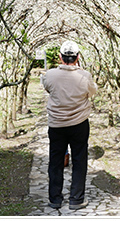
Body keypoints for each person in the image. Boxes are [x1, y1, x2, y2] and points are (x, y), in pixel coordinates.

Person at [41, 40, 97, 210]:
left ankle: (55, 199)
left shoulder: (49, 75)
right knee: (79, 160)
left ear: (60, 57)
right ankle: (76, 199)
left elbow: (49, 89)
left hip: (56, 124)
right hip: (79, 123)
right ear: (78, 57)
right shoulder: (84, 76)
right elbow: (92, 92)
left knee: (55, 161)